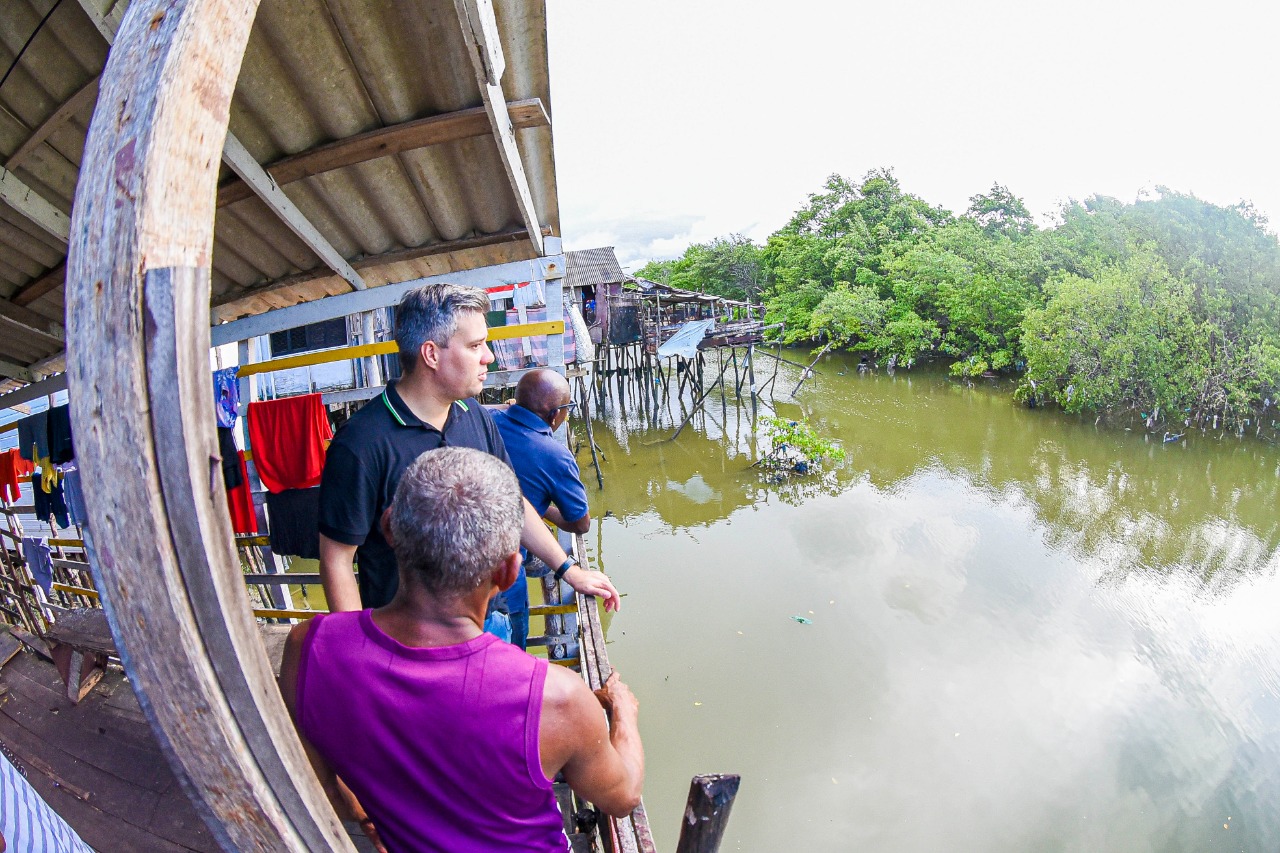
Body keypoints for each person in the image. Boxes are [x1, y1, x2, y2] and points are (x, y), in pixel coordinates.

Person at [281, 448, 644, 852]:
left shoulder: (310, 646)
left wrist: (367, 818)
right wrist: (623, 712)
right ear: (509, 571)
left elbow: (316, 778)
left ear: (387, 528)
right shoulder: (555, 698)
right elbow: (623, 795)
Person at [317, 283, 619, 615]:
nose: (489, 356)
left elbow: (511, 501)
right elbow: (337, 559)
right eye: (476, 345)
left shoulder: (473, 414)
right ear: (431, 354)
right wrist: (359, 652)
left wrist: (569, 570)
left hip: (490, 615)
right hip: (410, 640)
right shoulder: (360, 444)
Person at [491, 368, 591, 649]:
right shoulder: (555, 455)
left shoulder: (485, 421)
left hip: (456, 572)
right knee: (511, 653)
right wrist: (542, 509)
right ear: (553, 414)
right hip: (506, 574)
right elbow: (580, 523)